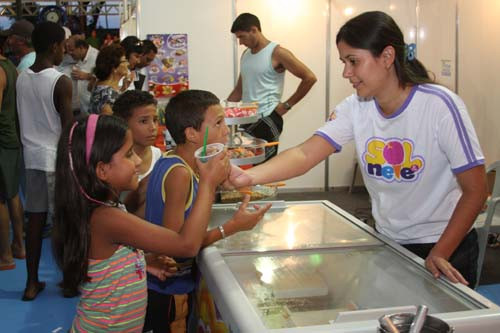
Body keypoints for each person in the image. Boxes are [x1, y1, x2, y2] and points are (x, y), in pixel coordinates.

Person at [229, 11, 487, 287]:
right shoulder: (355, 108)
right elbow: (305, 154)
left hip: (445, 244)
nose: (346, 73)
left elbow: (477, 189)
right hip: (389, 239)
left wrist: (440, 252)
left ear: (387, 57)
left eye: (353, 61)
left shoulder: (440, 106)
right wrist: (248, 176)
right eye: (343, 62)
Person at [52, 114, 230, 332]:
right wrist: (208, 185)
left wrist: (141, 262)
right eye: (128, 154)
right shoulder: (106, 218)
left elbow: (105, 264)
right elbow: (187, 245)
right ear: (102, 170)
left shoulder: (107, 208)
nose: (137, 161)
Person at [143, 90, 271, 333]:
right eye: (219, 123)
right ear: (192, 134)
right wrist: (232, 226)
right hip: (169, 291)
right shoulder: (179, 174)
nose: (226, 130)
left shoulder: (175, 161)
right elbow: (175, 249)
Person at [16, 21, 73, 300]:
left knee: (35, 222)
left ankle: (31, 283)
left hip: (31, 158)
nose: (65, 51)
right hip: (56, 159)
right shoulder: (60, 80)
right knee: (65, 222)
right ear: (54, 47)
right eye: (63, 46)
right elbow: (68, 129)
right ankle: (70, 280)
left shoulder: (22, 77)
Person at [227, 13, 317, 160]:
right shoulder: (246, 55)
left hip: (268, 117)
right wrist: (221, 110)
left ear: (254, 30)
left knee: (264, 167)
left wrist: (286, 105)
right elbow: (239, 90)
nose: (240, 42)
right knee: (246, 165)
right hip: (247, 119)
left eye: (242, 37)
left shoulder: (278, 53)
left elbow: (309, 78)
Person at [113, 90, 161, 219]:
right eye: (144, 121)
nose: (153, 127)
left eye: (155, 120)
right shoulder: (113, 162)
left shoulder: (160, 157)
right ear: (123, 123)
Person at [0, 48, 25, 271]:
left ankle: (5, 256)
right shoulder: (11, 67)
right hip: (12, 138)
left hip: (3, 141)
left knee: (1, 199)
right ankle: (18, 245)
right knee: (13, 193)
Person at [88, 44, 128, 114]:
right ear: (114, 68)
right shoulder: (107, 94)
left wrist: (122, 89)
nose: (127, 64)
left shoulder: (101, 86)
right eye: (124, 61)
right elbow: (109, 123)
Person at [66, 37, 99, 114]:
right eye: (68, 51)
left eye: (71, 50)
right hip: (80, 108)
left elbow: (105, 76)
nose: (69, 53)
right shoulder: (77, 57)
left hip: (92, 108)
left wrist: (88, 76)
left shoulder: (97, 56)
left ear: (81, 48)